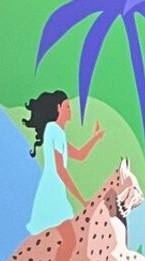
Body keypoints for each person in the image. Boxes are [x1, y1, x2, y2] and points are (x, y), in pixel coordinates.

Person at [23, 90, 104, 233]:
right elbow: (60, 170)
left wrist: (96, 137)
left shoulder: (57, 132)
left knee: (67, 240)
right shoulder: (53, 130)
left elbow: (80, 155)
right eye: (67, 106)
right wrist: (81, 199)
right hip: (52, 194)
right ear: (58, 108)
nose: (70, 111)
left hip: (55, 192)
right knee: (70, 239)